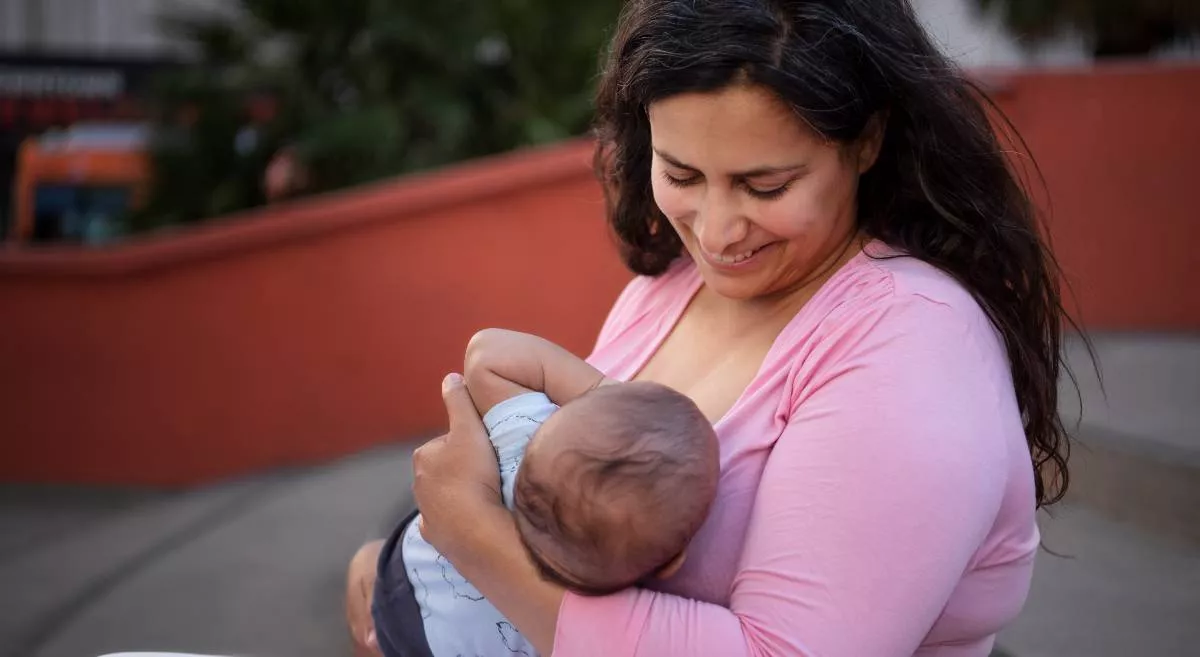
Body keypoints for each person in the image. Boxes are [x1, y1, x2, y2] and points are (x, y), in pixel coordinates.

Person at [347, 1, 1079, 655]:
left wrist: (474, 544)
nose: (719, 231)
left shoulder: (912, 345)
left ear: (867, 141)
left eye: (766, 185)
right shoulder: (668, 288)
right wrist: (411, 573)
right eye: (683, 175)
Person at [371, 328, 719, 657]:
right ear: (670, 564)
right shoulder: (604, 610)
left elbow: (487, 352)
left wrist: (603, 389)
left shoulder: (523, 436)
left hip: (407, 572)